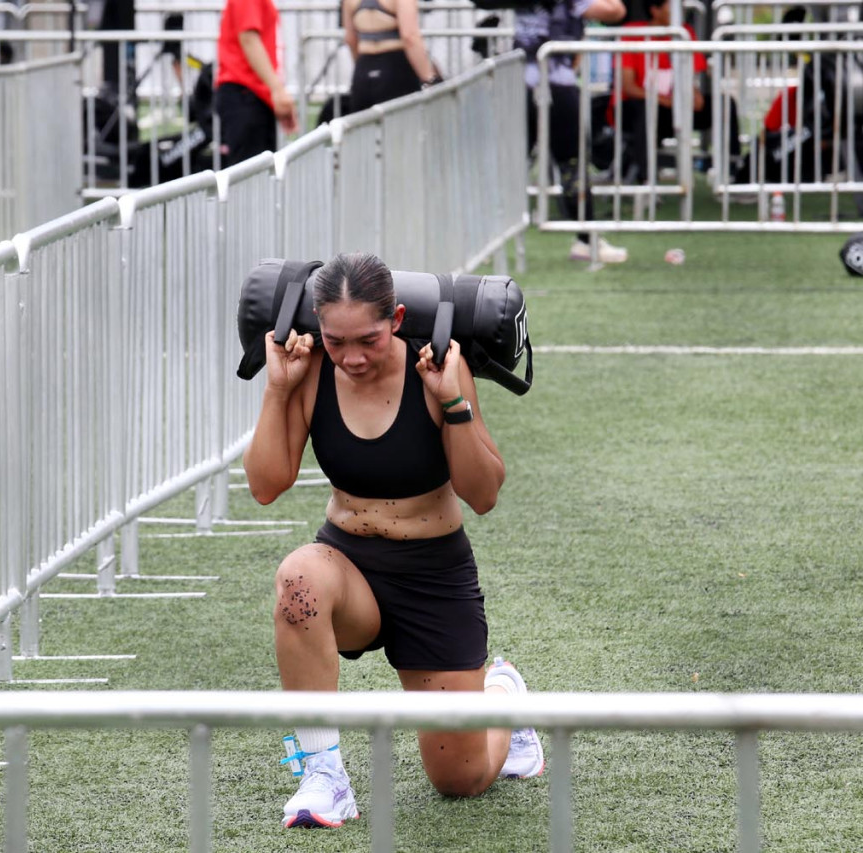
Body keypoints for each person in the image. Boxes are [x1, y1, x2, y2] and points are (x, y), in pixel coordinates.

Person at [242, 253, 543, 830]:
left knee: (460, 781)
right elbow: (265, 485)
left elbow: (482, 495)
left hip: (433, 576)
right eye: (336, 341)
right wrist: (278, 390)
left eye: (369, 340)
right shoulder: (309, 374)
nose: (352, 357)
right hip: (349, 566)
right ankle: (323, 776)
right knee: (298, 581)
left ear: (398, 319)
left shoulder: (437, 369)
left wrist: (453, 400)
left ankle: (502, 693)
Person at [515, 0, 630, 263]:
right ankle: (586, 240)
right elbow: (615, 10)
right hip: (554, 84)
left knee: (509, 165)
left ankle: (484, 244)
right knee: (572, 163)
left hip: (519, 83)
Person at [607, 0, 747, 186]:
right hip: (637, 107)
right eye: (671, 6)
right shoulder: (632, 33)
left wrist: (693, 94)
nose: (678, 10)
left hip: (673, 106)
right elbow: (628, 86)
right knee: (645, 110)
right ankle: (645, 178)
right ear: (655, 9)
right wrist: (666, 101)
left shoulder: (684, 32)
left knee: (724, 103)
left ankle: (732, 172)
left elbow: (692, 76)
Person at [214, 0, 297, 167]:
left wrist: (274, 93)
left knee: (258, 177)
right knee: (250, 180)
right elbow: (249, 39)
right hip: (245, 94)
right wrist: (277, 90)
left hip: (250, 95)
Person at [342, 0, 442, 113]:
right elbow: (410, 37)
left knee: (362, 126)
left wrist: (363, 66)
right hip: (395, 68)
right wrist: (430, 79)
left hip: (363, 69)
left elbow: (350, 38)